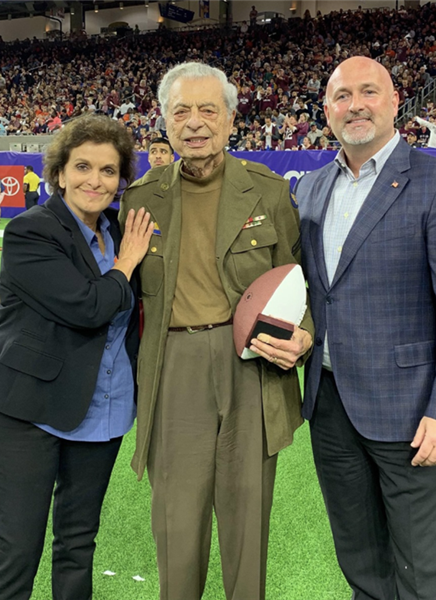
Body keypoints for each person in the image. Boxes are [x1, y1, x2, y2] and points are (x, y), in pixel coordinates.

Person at [295, 56, 436, 600]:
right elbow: (311, 292)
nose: (354, 105)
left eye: (368, 92)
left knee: (420, 570)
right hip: (329, 404)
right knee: (360, 558)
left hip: (410, 410)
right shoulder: (309, 189)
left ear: (395, 101)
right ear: (327, 110)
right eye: (341, 96)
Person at [120, 62, 313, 600]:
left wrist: (304, 335)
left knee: (246, 515)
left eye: (209, 109)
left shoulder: (268, 191)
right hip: (173, 366)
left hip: (252, 365)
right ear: (165, 121)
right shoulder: (140, 198)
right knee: (175, 522)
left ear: (231, 120)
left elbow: (303, 282)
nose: (195, 122)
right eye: (181, 111)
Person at [0, 113, 154, 600]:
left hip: (104, 408)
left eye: (108, 170)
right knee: (18, 547)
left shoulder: (122, 229)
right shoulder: (30, 231)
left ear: (121, 180)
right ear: (59, 173)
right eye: (82, 167)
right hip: (29, 408)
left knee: (78, 543)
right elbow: (88, 307)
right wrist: (126, 264)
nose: (94, 180)